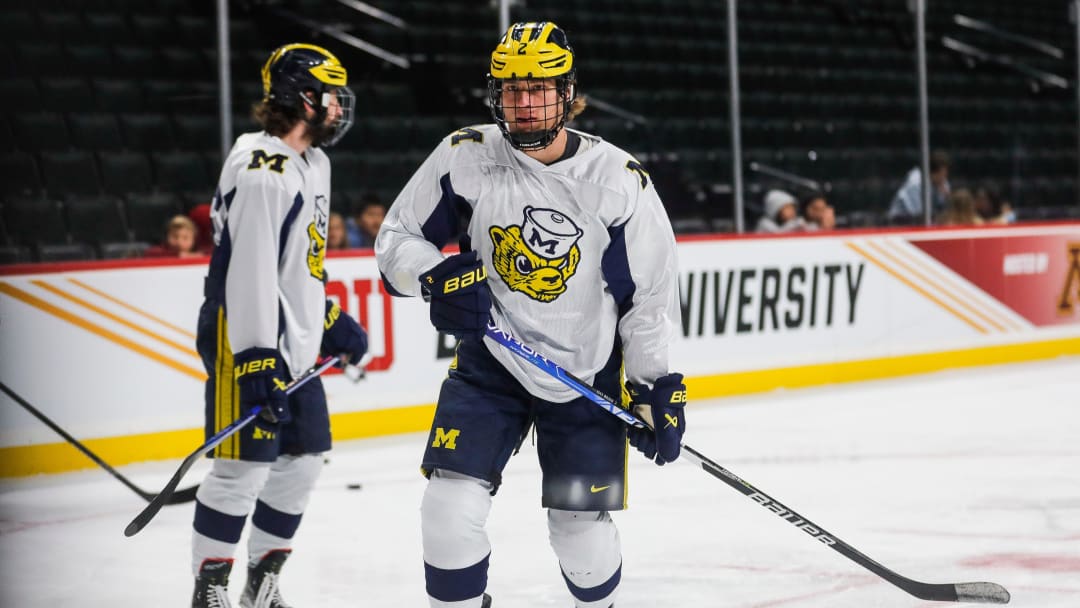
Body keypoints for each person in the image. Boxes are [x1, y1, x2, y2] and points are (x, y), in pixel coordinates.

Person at [376, 22, 686, 608]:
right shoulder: (464, 156)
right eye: (512, 89)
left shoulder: (617, 182)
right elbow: (397, 239)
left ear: (568, 94)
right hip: (491, 364)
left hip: (584, 375)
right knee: (447, 511)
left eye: (539, 89)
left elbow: (648, 295)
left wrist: (654, 385)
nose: (524, 103)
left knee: (579, 537)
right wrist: (434, 275)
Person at [190, 43, 369, 608]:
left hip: (289, 339)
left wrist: (329, 317)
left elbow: (298, 265)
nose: (340, 109)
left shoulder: (314, 162)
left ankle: (259, 587)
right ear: (300, 98)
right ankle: (209, 590)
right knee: (242, 468)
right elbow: (250, 272)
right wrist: (254, 356)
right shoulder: (260, 168)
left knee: (304, 458)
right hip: (241, 334)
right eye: (331, 97)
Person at [887, 150, 951, 224]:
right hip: (900, 221)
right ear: (934, 173)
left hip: (925, 220)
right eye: (942, 174)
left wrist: (946, 197)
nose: (944, 178)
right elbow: (919, 215)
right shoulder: (915, 183)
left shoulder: (943, 183)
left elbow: (945, 210)